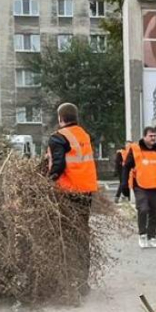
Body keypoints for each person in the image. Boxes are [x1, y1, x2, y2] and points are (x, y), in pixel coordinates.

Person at [46, 103, 99, 289]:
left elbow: (58, 165)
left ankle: (68, 280)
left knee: (66, 235)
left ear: (60, 118)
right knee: (82, 234)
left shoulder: (58, 138)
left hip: (68, 193)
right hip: (86, 191)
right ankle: (82, 281)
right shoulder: (83, 134)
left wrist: (46, 182)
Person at [123, 125, 156, 248]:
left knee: (155, 211)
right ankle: (142, 235)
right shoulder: (135, 149)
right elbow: (126, 167)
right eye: (150, 136)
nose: (153, 138)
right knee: (143, 209)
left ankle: (152, 236)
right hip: (139, 185)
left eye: (154, 136)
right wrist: (124, 184)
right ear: (144, 136)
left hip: (155, 185)